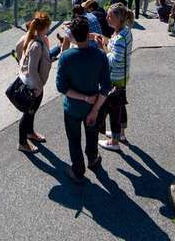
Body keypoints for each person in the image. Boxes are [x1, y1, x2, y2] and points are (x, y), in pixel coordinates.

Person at [55, 17, 110, 184]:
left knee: (74, 139)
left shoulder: (66, 57)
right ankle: (93, 159)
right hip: (93, 106)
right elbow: (106, 86)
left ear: (72, 35)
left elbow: (62, 88)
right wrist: (94, 108)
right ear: (89, 33)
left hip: (72, 107)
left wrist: (83, 97)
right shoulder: (100, 55)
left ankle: (78, 170)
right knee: (91, 134)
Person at [95, 4, 134, 152]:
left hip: (115, 77)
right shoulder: (125, 32)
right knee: (120, 104)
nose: (106, 18)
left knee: (114, 110)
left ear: (118, 18)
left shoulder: (119, 38)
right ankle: (121, 134)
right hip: (122, 75)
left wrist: (102, 49)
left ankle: (114, 141)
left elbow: (115, 60)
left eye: (110, 16)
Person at [16, 12, 52, 153]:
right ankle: (22, 143)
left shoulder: (33, 38)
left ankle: (30, 133)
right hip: (34, 86)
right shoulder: (36, 44)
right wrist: (38, 87)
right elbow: (31, 69)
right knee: (27, 113)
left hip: (33, 83)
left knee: (31, 112)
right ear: (46, 27)